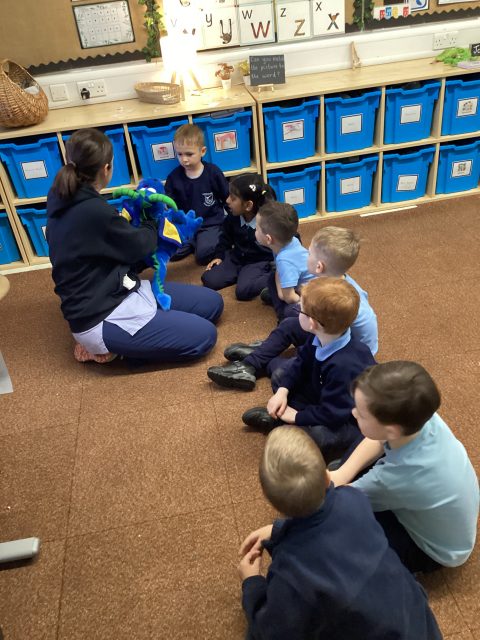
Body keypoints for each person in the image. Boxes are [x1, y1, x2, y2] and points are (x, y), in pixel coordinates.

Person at [239, 427, 443, 640]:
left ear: (273, 503)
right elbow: (324, 524)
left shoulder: (289, 571)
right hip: (421, 623)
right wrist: (279, 530)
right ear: (328, 478)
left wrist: (252, 583)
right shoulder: (353, 499)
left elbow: (273, 630)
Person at [46, 128, 223, 364]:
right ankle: (107, 350)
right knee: (205, 336)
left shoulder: (65, 196)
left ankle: (134, 335)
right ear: (106, 168)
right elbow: (142, 245)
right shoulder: (94, 210)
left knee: (213, 304)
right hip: (100, 315)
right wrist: (152, 221)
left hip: (119, 286)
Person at [330, 361, 479, 574]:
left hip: (434, 551)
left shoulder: (398, 477)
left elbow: (342, 500)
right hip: (439, 509)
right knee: (356, 456)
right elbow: (379, 438)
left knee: (341, 528)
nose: (354, 413)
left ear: (392, 430)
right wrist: (342, 473)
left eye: (361, 414)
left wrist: (329, 486)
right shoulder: (419, 416)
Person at [207, 226, 377, 390]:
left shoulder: (345, 300)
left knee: (280, 370)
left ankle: (264, 355)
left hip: (341, 353)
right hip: (328, 333)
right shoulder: (331, 281)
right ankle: (251, 363)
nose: (306, 255)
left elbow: (358, 344)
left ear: (319, 266)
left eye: (309, 253)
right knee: (289, 324)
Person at [241, 277, 376, 458]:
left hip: (348, 418)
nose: (297, 311)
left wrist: (296, 417)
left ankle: (284, 424)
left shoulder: (344, 366)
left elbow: (333, 414)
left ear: (312, 323)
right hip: (325, 394)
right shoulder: (322, 336)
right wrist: (282, 391)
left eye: (300, 310)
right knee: (281, 375)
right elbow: (301, 362)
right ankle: (286, 421)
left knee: (320, 436)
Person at [201, 173, 275, 300]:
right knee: (209, 279)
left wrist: (281, 265)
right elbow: (225, 238)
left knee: (243, 291)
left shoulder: (269, 221)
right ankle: (243, 275)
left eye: (233, 198)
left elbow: (290, 238)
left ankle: (274, 276)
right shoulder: (233, 216)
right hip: (237, 257)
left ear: (248, 205)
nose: (227, 200)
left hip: (258, 261)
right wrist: (219, 256)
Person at [164, 124, 229, 265]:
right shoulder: (174, 177)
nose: (184, 159)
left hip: (209, 224)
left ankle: (200, 243)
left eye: (189, 154)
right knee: (170, 251)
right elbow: (168, 203)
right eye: (180, 154)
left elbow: (227, 198)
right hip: (185, 225)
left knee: (203, 255)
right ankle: (193, 242)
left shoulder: (213, 172)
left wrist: (233, 224)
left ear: (202, 151)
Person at [254, 201, 314, 321]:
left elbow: (290, 298)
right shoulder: (291, 241)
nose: (255, 230)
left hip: (311, 298)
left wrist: (283, 294)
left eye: (257, 228)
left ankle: (282, 317)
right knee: (272, 278)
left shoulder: (285, 260)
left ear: (268, 239)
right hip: (302, 284)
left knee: (289, 311)